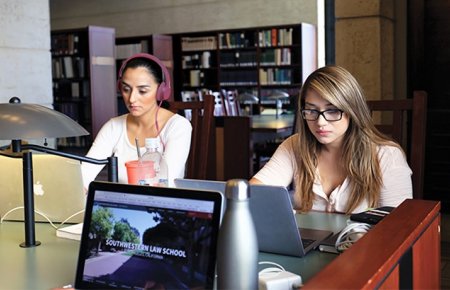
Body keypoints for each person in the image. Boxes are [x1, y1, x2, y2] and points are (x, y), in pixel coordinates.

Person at [250, 66, 412, 214]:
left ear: (352, 110)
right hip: (308, 243)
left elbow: (399, 226)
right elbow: (254, 194)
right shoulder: (294, 146)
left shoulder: (387, 156)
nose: (320, 122)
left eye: (332, 110)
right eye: (312, 111)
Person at [81, 53, 192, 189]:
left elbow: (165, 184)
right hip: (120, 203)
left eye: (142, 91)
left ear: (161, 91)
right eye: (126, 89)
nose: (132, 99)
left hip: (160, 205)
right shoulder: (113, 126)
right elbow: (84, 174)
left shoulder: (178, 126)